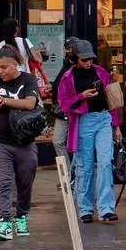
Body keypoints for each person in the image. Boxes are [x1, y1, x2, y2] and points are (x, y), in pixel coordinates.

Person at [57, 39, 121, 224]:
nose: (88, 62)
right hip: (83, 121)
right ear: (74, 58)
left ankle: (106, 209)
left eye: (90, 59)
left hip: (102, 119)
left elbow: (110, 101)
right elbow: (63, 104)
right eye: (84, 59)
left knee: (105, 163)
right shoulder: (68, 77)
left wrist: (115, 126)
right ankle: (85, 208)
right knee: (84, 166)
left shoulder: (100, 72)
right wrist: (81, 96)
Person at [0, 47, 41, 240]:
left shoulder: (28, 80)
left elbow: (30, 104)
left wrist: (4, 101)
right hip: (0, 142)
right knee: (3, 182)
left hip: (25, 142)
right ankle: (4, 222)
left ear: (15, 65)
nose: (0, 71)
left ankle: (21, 217)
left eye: (4, 67)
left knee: (25, 183)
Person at [51, 37, 81, 174]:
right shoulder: (67, 64)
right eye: (67, 49)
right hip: (62, 108)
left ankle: (73, 174)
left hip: (72, 109)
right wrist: (52, 88)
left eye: (70, 49)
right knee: (58, 141)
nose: (68, 52)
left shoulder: (78, 66)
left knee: (73, 142)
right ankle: (69, 174)